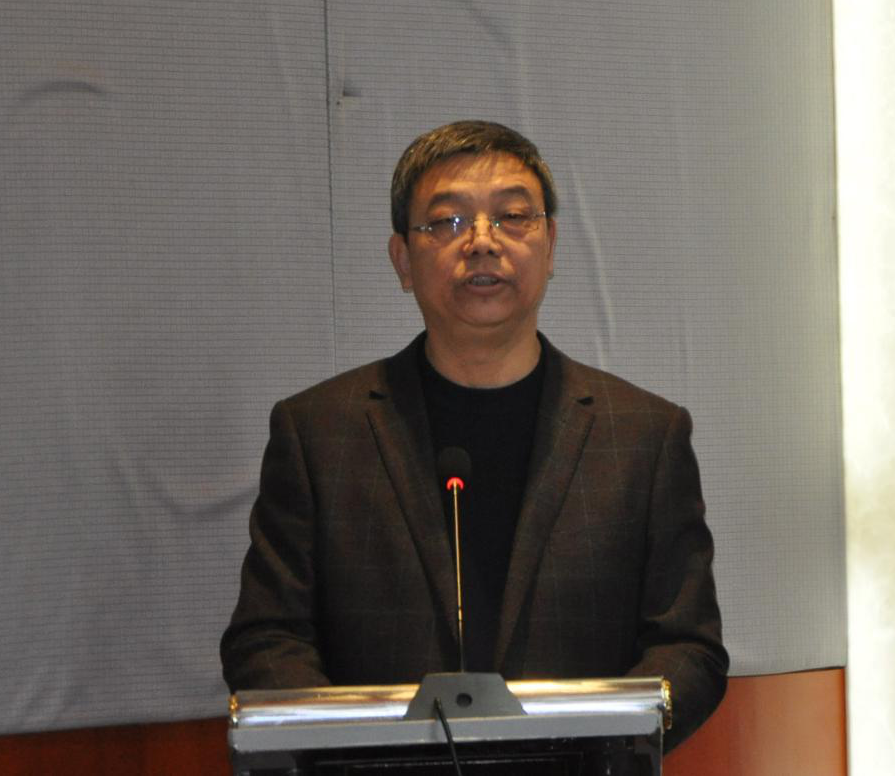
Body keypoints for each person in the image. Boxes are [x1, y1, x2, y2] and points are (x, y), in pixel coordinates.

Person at [220, 120, 727, 748]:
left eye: (513, 216)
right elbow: (268, 639)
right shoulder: (318, 434)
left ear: (550, 245)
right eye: (448, 221)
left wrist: (601, 743)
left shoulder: (645, 436)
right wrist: (352, 750)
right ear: (402, 260)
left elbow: (689, 647)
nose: (483, 242)